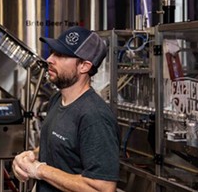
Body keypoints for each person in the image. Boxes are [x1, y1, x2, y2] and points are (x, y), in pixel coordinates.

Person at [12, 26, 119, 192]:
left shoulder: (94, 116)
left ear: (84, 66)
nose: (49, 59)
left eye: (60, 55)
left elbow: (102, 188)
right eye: (52, 52)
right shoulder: (57, 99)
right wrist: (30, 157)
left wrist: (41, 170)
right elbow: (62, 148)